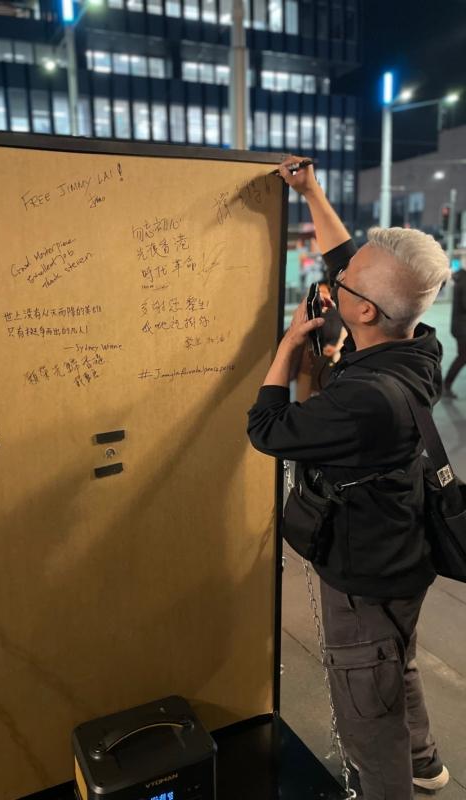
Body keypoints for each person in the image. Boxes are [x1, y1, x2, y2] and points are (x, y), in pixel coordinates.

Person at [247, 156, 452, 800]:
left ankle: (395, 780)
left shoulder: (362, 399)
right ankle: (426, 763)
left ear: (364, 312)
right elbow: (348, 264)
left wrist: (286, 349)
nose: (333, 286)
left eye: (344, 288)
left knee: (367, 706)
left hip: (365, 569)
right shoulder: (419, 345)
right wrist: (310, 190)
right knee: (395, 664)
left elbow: (268, 430)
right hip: (406, 550)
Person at [444, 260, 466, 398]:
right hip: (463, 328)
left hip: (460, 326)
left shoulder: (462, 278)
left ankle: (446, 384)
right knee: (463, 357)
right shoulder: (465, 282)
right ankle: (446, 385)